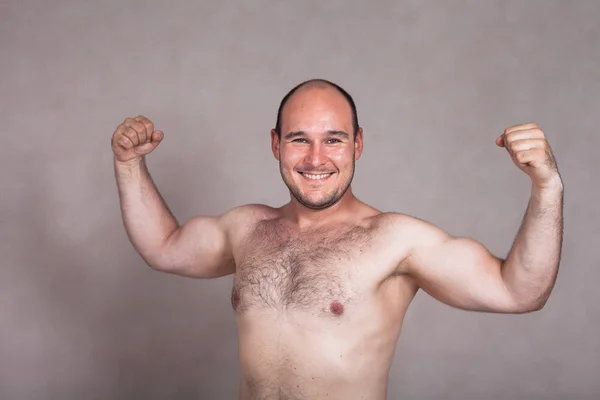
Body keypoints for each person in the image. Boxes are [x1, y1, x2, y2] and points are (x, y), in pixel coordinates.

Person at [111, 79, 564, 400]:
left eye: (334, 139)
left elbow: (518, 291)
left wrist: (547, 188)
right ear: (275, 144)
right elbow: (164, 246)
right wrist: (129, 164)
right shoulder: (245, 228)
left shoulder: (396, 239)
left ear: (358, 145)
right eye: (298, 139)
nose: (315, 158)